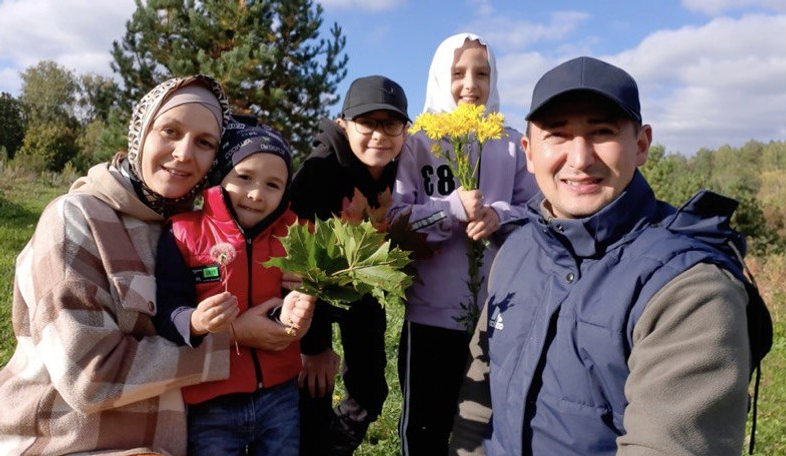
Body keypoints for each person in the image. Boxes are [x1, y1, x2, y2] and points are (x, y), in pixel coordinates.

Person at [449, 56, 755, 455]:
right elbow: (483, 373)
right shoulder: (516, 251)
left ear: (641, 144)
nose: (580, 159)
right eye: (557, 135)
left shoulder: (689, 288)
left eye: (602, 132)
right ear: (528, 152)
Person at [0, 75, 310, 456]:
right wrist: (231, 337)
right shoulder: (75, 220)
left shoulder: (186, 227)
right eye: (170, 131)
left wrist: (297, 283)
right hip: (63, 441)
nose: (183, 153)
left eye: (204, 143)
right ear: (141, 133)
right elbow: (88, 377)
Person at [389, 33, 538, 455]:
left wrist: (499, 217)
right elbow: (396, 219)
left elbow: (537, 212)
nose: (470, 84)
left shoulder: (511, 142)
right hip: (430, 319)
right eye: (458, 73)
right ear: (439, 76)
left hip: (496, 317)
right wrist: (449, 209)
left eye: (482, 73)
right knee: (424, 431)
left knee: (486, 432)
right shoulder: (418, 141)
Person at [153, 117, 316, 456]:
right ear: (219, 176)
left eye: (273, 185)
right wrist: (195, 321)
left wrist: (305, 302)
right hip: (211, 396)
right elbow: (168, 307)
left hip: (280, 392)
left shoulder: (299, 234)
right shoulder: (183, 234)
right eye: (243, 178)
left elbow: (314, 291)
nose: (257, 194)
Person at [289, 75, 411, 455]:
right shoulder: (318, 170)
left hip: (357, 288)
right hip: (311, 292)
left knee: (371, 389)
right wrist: (313, 345)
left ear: (405, 130)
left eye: (390, 124)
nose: (379, 135)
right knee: (314, 389)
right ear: (344, 124)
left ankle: (334, 444)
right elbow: (295, 264)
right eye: (367, 123)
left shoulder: (401, 167)